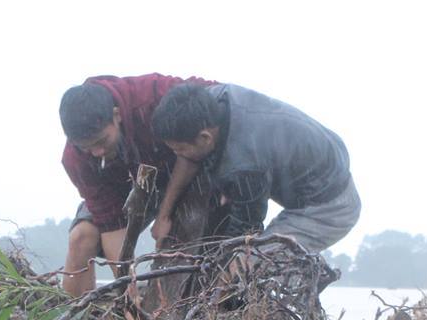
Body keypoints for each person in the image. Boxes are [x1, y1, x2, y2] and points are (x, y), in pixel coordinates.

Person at [150, 83, 360, 253]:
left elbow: (244, 233)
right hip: (316, 167)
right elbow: (194, 159)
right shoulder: (214, 98)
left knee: (252, 263)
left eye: (180, 150)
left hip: (330, 206)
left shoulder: (246, 166)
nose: (178, 157)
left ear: (205, 137)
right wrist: (164, 216)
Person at [58, 74, 213, 296]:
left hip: (185, 174)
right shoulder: (76, 159)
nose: (97, 153)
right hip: (126, 188)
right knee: (82, 236)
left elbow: (219, 96)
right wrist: (126, 290)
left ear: (116, 115)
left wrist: (165, 216)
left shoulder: (151, 95)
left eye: (101, 141)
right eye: (87, 148)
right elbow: (111, 224)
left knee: (178, 241)